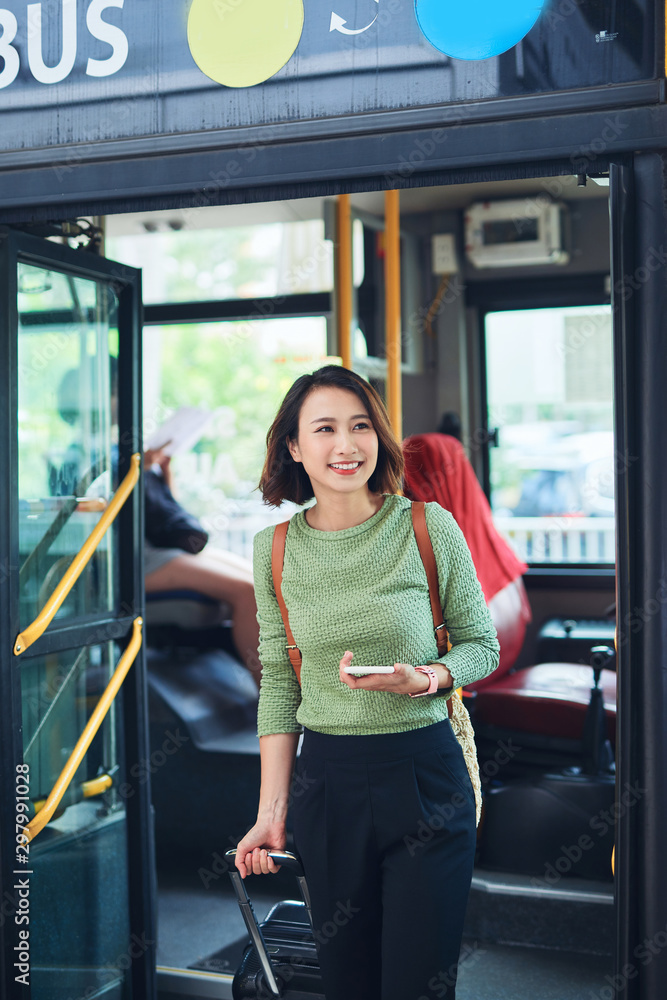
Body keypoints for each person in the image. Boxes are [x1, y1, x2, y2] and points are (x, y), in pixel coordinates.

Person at [235, 365, 500, 1000]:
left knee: (418, 984)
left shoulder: (426, 526)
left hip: (426, 776)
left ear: (379, 439)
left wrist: (429, 677)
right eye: (324, 429)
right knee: (348, 982)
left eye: (359, 427)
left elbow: (480, 646)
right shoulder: (274, 549)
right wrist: (272, 811)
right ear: (294, 448)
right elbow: (278, 683)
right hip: (328, 784)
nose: (345, 445)